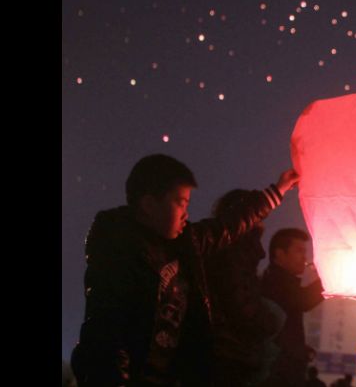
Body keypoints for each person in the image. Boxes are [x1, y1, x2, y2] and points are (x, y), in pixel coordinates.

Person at [70, 153, 299, 386]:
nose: (186, 214)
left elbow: (228, 225)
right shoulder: (118, 253)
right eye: (180, 203)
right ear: (149, 204)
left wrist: (278, 190)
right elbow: (107, 331)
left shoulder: (186, 242)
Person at [207, 181, 300, 386]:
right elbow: (239, 302)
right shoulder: (234, 256)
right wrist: (268, 323)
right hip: (233, 357)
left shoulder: (230, 253)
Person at [259, 228, 326, 387]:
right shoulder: (275, 282)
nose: (304, 257)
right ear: (280, 254)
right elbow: (302, 301)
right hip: (278, 372)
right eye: (299, 251)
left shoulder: (278, 280)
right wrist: (329, 277)